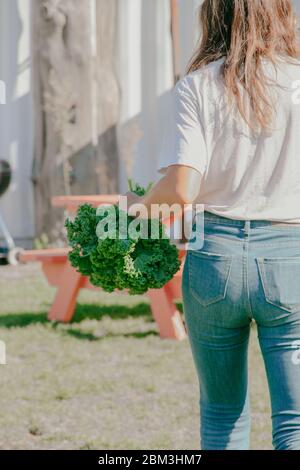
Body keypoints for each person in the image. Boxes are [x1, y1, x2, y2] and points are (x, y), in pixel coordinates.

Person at [125, 0, 300, 450]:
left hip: (215, 260)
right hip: (289, 259)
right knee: (294, 422)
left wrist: (137, 208)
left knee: (223, 415)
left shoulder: (199, 86)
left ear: (214, 16)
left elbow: (182, 188)